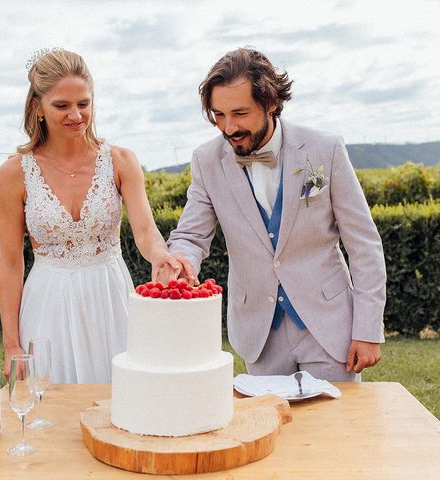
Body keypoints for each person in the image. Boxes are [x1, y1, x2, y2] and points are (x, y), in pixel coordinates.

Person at [165, 48, 387, 382]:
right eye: (219, 115)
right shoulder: (206, 160)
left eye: (240, 113)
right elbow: (191, 236)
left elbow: (364, 244)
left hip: (328, 327)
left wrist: (368, 329)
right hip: (259, 334)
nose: (229, 127)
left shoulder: (325, 150)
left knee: (336, 431)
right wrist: (181, 261)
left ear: (270, 102)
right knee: (270, 431)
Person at [0, 49, 180, 383]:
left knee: (125, 405)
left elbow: (145, 232)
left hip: (110, 299)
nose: (76, 115)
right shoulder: (14, 173)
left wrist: (161, 256)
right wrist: (11, 343)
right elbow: (10, 262)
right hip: (47, 304)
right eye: (62, 105)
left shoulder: (121, 161)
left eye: (84, 103)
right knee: (49, 413)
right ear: (38, 107)